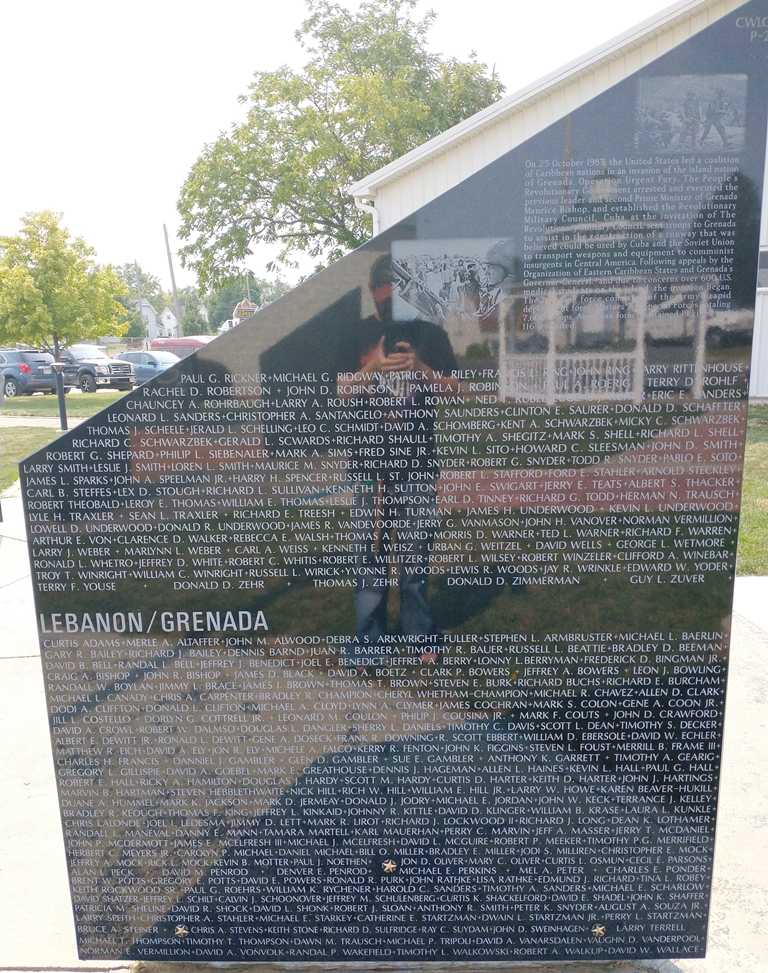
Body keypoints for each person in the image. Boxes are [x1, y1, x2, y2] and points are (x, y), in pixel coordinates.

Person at [337, 254, 459, 668]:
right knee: (368, 558)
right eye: (385, 294)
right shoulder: (355, 335)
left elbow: (454, 391)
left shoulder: (431, 333)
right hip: (369, 467)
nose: (391, 302)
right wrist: (374, 366)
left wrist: (420, 368)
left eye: (400, 293)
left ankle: (419, 634)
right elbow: (342, 391)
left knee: (415, 557)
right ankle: (369, 642)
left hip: (417, 465)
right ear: (374, 292)